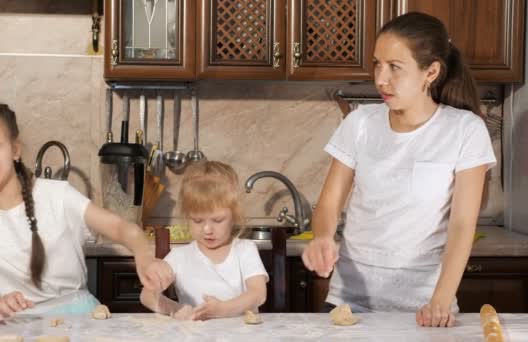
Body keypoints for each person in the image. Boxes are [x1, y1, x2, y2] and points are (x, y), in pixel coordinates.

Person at [302, 12, 496, 328]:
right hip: (349, 303)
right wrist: (322, 236)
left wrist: (441, 301)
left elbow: (462, 225)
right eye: (377, 64)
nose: (380, 78)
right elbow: (328, 204)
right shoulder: (360, 123)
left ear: (430, 71)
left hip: (425, 307)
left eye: (395, 67)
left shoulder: (464, 130)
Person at [0, 102, 173, 320]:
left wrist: (144, 256)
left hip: (79, 321)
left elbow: (121, 228)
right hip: (14, 326)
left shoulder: (58, 196)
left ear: (15, 150)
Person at [140, 160, 268, 320]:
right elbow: (147, 295)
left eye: (218, 220)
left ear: (234, 215)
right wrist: (176, 308)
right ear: (187, 217)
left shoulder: (245, 250)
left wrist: (224, 309)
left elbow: (258, 294)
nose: (207, 230)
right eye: (198, 221)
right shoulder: (180, 256)